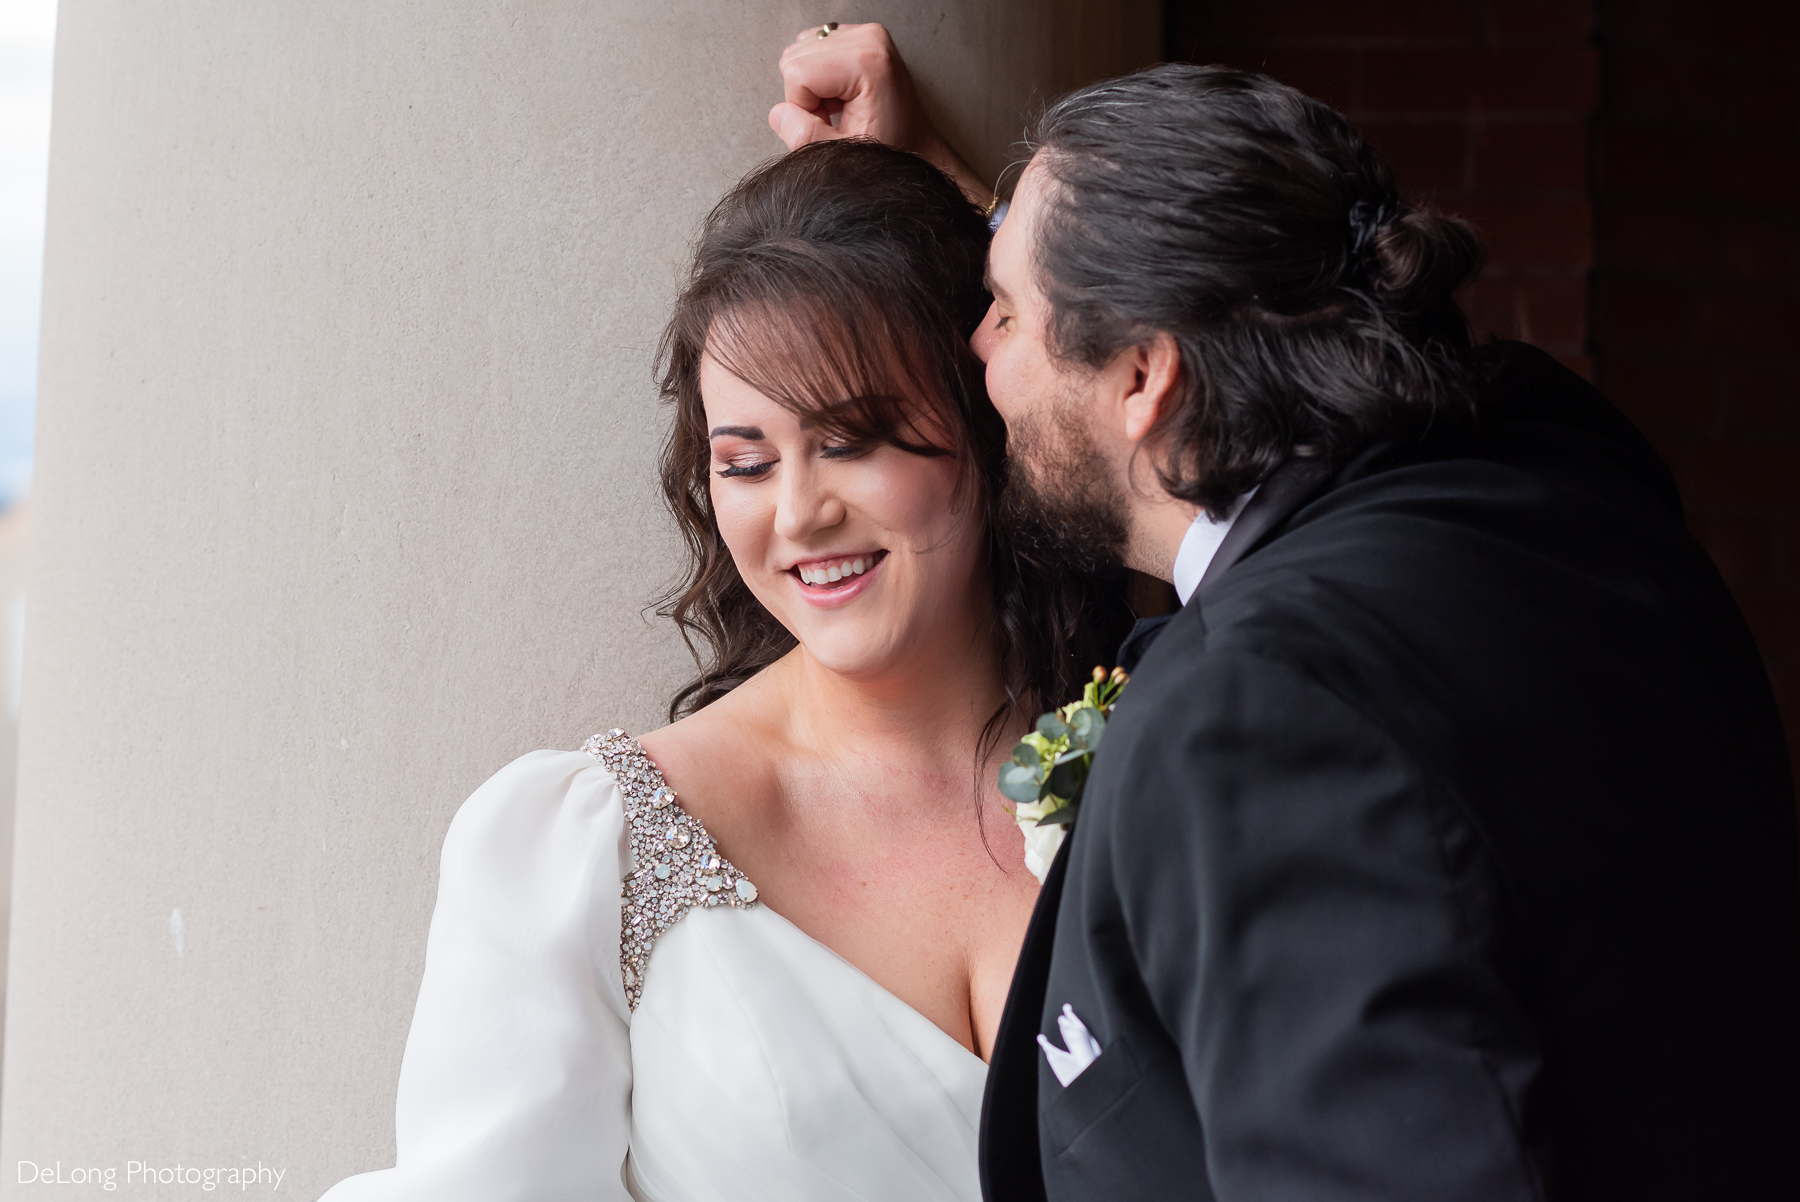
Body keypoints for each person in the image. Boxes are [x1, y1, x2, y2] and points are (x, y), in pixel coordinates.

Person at [777, 25, 1800, 1202]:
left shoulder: (1260, 716)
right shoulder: (1551, 463)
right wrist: (998, 215)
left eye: (1004, 312)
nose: (974, 347)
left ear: (1144, 377)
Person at [317, 139, 1133, 1202]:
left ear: (987, 420)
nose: (798, 513)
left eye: (852, 439)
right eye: (745, 460)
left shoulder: (1149, 763)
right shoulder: (586, 848)